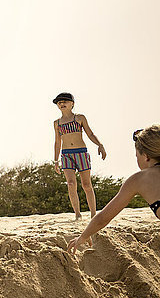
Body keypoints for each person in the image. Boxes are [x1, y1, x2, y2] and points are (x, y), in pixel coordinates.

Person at [67, 125, 160, 253]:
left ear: (146, 156)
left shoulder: (139, 179)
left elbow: (103, 217)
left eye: (136, 155)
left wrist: (83, 236)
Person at [53, 92, 107, 221]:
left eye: (65, 101)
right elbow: (57, 142)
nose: (62, 104)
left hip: (81, 153)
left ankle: (93, 214)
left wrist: (100, 144)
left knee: (86, 184)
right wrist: (55, 161)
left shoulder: (79, 118)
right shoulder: (57, 123)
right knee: (71, 184)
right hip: (66, 155)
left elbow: (90, 133)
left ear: (72, 104)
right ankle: (77, 214)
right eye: (59, 102)